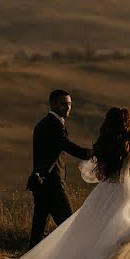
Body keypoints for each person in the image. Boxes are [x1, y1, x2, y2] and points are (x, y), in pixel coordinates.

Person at [12, 107, 130, 259]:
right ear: (127, 125)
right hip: (121, 197)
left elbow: (99, 175)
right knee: (117, 238)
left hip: (101, 194)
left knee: (94, 237)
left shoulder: (101, 146)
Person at [25, 89, 94, 248]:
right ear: (53, 104)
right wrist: (90, 153)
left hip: (41, 183)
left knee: (38, 229)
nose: (68, 107)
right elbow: (68, 146)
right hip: (53, 186)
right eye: (63, 104)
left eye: (70, 104)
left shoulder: (44, 124)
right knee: (70, 227)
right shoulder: (53, 125)